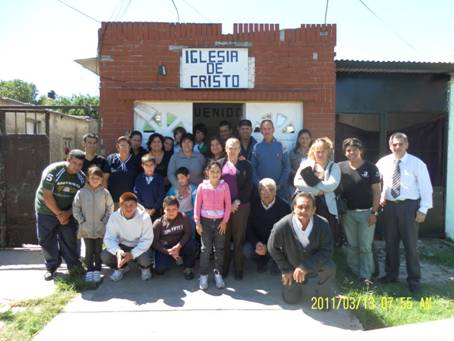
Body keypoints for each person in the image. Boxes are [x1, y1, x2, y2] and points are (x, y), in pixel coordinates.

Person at [376, 132, 433, 293]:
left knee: (411, 246)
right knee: (390, 244)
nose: (397, 147)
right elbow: (376, 182)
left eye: (401, 144)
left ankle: (414, 281)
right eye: (394, 144)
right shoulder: (383, 162)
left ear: (407, 145)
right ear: (390, 146)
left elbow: (426, 188)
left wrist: (423, 209)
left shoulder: (417, 164)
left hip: (409, 207)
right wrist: (379, 196)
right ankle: (391, 275)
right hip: (389, 207)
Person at [268, 192, 336, 304]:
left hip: (314, 265)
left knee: (330, 267)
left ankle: (322, 297)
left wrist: (305, 266)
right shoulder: (282, 225)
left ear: (314, 210)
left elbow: (327, 251)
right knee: (291, 300)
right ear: (294, 208)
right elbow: (272, 247)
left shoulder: (323, 224)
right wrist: (286, 269)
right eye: (300, 207)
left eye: (308, 207)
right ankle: (294, 285)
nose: (304, 211)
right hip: (292, 267)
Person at [35, 149, 86, 281]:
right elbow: (47, 196)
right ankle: (51, 267)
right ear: (67, 160)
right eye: (74, 163)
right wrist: (58, 214)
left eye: (80, 164)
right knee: (47, 240)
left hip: (67, 212)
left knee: (70, 239)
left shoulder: (81, 178)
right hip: (46, 210)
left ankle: (74, 266)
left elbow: (79, 201)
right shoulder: (54, 171)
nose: (77, 167)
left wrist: (67, 214)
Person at [338, 138, 380, 284]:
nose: (351, 152)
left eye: (355, 150)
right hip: (347, 213)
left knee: (365, 246)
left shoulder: (371, 168)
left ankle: (366, 275)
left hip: (366, 213)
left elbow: (377, 192)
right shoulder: (340, 167)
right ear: (345, 152)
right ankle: (354, 271)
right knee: (352, 245)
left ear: (360, 151)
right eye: (348, 150)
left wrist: (374, 212)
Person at [294, 137, 341, 245]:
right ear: (313, 152)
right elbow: (297, 182)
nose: (320, 154)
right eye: (317, 152)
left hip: (326, 208)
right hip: (306, 206)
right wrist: (317, 192)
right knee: (306, 235)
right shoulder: (306, 164)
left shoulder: (334, 167)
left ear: (328, 151)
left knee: (323, 237)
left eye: (323, 151)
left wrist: (313, 183)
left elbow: (332, 185)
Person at [72, 166, 114, 282]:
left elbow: (110, 208)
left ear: (101, 179)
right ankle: (89, 269)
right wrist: (81, 220)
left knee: (98, 250)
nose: (95, 180)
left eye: (98, 178)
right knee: (89, 250)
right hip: (86, 228)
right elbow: (76, 208)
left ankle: (97, 269)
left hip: (100, 227)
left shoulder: (105, 193)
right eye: (92, 178)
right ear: (88, 179)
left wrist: (104, 221)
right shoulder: (81, 192)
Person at [194, 161, 232, 290]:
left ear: (221, 173)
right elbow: (197, 205)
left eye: (217, 171)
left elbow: (228, 205)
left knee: (219, 249)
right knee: (205, 249)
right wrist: (197, 222)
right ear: (207, 172)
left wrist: (224, 221)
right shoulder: (202, 186)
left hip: (220, 222)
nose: (215, 174)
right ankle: (204, 276)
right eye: (212, 171)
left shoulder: (224, 186)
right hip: (205, 221)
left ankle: (218, 274)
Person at [101, 192, 154, 282]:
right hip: (122, 246)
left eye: (131, 205)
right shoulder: (114, 217)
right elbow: (109, 238)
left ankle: (144, 268)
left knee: (146, 258)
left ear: (136, 205)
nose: (129, 208)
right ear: (120, 205)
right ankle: (121, 268)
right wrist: (117, 251)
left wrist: (133, 254)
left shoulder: (145, 217)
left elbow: (147, 239)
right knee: (105, 255)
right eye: (125, 205)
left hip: (138, 245)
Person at [222, 138, 253, 279]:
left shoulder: (246, 165)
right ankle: (224, 268)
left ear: (239, 149)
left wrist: (237, 202)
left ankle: (238, 269)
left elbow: (248, 186)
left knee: (239, 238)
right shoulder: (219, 164)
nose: (232, 150)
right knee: (224, 238)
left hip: (241, 206)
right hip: (223, 208)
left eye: (235, 147)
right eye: (229, 147)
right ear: (225, 148)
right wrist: (227, 204)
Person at [244, 178, 291, 273]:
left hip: (276, 241)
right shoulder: (253, 205)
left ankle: (276, 261)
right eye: (263, 190)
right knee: (246, 250)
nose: (267, 193)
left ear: (276, 192)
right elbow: (249, 228)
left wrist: (269, 246)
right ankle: (261, 261)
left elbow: (285, 231)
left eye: (271, 189)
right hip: (259, 241)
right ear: (259, 192)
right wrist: (256, 243)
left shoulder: (284, 206)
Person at [152, 196, 198, 280]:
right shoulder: (158, 223)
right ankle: (172, 259)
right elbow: (154, 243)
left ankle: (188, 267)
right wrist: (167, 251)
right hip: (166, 248)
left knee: (191, 245)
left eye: (174, 209)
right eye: (168, 210)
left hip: (180, 245)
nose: (171, 212)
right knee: (160, 270)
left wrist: (178, 247)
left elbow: (188, 233)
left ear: (178, 209)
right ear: (163, 210)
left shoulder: (183, 217)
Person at [251, 119, 290, 201]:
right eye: (264, 129)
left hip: (280, 190)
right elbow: (253, 168)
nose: (267, 131)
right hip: (262, 191)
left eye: (269, 128)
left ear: (273, 129)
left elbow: (287, 167)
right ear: (261, 131)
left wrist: (279, 184)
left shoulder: (281, 146)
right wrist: (259, 184)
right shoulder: (257, 147)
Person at [106, 136, 141, 206]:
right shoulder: (111, 158)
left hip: (130, 200)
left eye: (127, 146)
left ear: (130, 147)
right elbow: (105, 178)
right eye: (122, 145)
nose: (124, 148)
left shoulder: (136, 160)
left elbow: (140, 180)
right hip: (113, 200)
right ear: (117, 146)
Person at [166, 167, 197, 238]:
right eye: (178, 179)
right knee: (177, 235)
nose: (180, 180)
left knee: (191, 234)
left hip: (190, 216)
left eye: (182, 177)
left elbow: (197, 202)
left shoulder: (193, 188)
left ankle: (191, 248)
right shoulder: (174, 188)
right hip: (177, 215)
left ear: (188, 176)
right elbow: (168, 199)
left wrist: (195, 214)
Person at [133, 154, 165, 221]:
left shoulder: (159, 178)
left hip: (156, 211)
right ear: (142, 166)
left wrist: (154, 209)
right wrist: (144, 209)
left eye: (151, 165)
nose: (149, 167)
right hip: (142, 211)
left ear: (155, 165)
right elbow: (136, 195)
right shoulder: (139, 179)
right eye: (146, 165)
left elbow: (161, 195)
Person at [288, 129, 312, 195]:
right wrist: (297, 173)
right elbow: (288, 167)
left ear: (310, 139)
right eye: (302, 138)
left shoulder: (314, 153)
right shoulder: (292, 153)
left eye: (307, 138)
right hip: (295, 183)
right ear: (298, 140)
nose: (305, 140)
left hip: (310, 183)